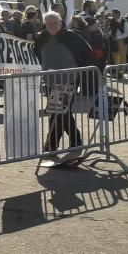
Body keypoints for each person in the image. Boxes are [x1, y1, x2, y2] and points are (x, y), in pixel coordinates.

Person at [34, 11, 95, 157]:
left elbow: (87, 53)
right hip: (49, 81)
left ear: (61, 22)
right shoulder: (43, 37)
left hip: (69, 80)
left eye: (55, 23)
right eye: (48, 23)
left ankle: (51, 145)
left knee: (57, 112)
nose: (52, 26)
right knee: (62, 112)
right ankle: (75, 141)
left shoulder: (71, 36)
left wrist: (80, 71)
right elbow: (36, 52)